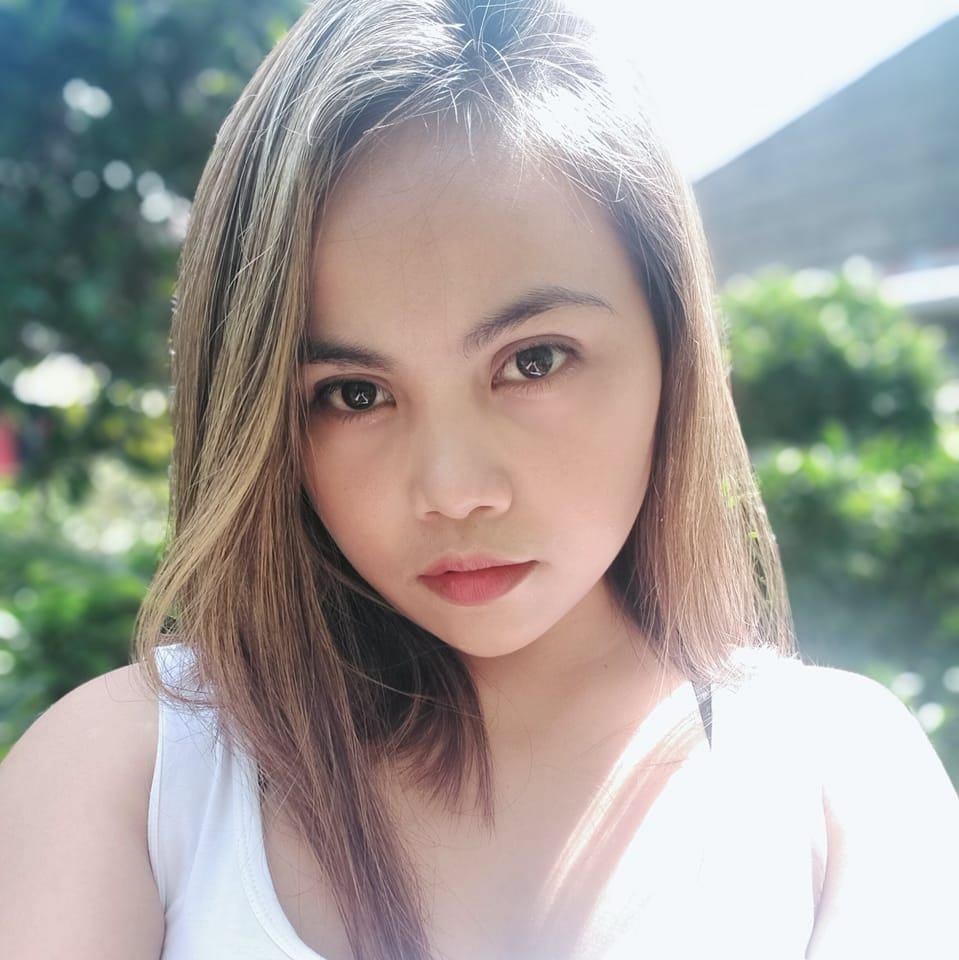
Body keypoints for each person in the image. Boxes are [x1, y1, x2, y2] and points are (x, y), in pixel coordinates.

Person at [1, 1, 957, 958]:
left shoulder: (835, 779)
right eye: (354, 393)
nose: (454, 491)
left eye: (533, 361)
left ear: (672, 349)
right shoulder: (135, 775)